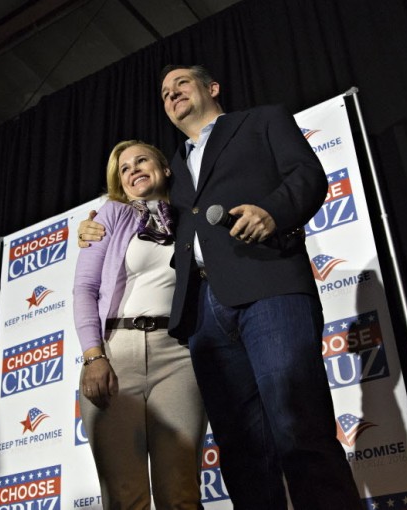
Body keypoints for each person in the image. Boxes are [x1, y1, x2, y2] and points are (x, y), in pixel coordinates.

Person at [78, 66, 363, 509]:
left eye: (181, 85)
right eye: (164, 92)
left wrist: (273, 212)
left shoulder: (262, 121)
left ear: (212, 88)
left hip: (269, 288)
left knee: (298, 427)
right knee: (242, 450)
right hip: (204, 317)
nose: (171, 94)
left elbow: (307, 176)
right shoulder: (172, 168)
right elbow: (138, 216)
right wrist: (90, 228)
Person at [73, 140, 207, 510]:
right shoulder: (111, 215)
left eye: (140, 160)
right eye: (124, 168)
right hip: (117, 354)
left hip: (179, 357)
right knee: (124, 497)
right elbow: (84, 289)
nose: (132, 170)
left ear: (165, 168)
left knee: (181, 495)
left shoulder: (190, 217)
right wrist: (93, 357)